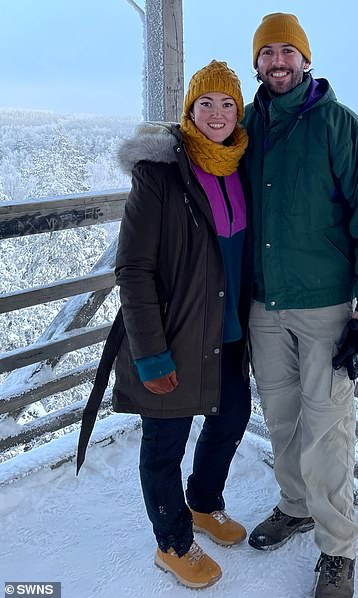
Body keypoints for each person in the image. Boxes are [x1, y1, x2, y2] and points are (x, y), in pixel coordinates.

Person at [77, 60, 252, 590]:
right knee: (164, 444)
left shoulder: (240, 166)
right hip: (173, 336)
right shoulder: (159, 174)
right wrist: (151, 354)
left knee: (232, 415)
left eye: (227, 104)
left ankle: (202, 501)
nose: (217, 114)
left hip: (227, 332)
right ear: (189, 111)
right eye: (206, 103)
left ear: (238, 112)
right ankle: (171, 542)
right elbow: (133, 268)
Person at [243, 13, 358, 598]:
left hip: (325, 307)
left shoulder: (338, 126)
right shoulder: (247, 125)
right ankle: (296, 505)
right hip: (264, 305)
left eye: (288, 51)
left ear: (305, 58)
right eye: (267, 53)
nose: (277, 62)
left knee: (327, 428)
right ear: (256, 62)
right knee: (281, 417)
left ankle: (337, 550)